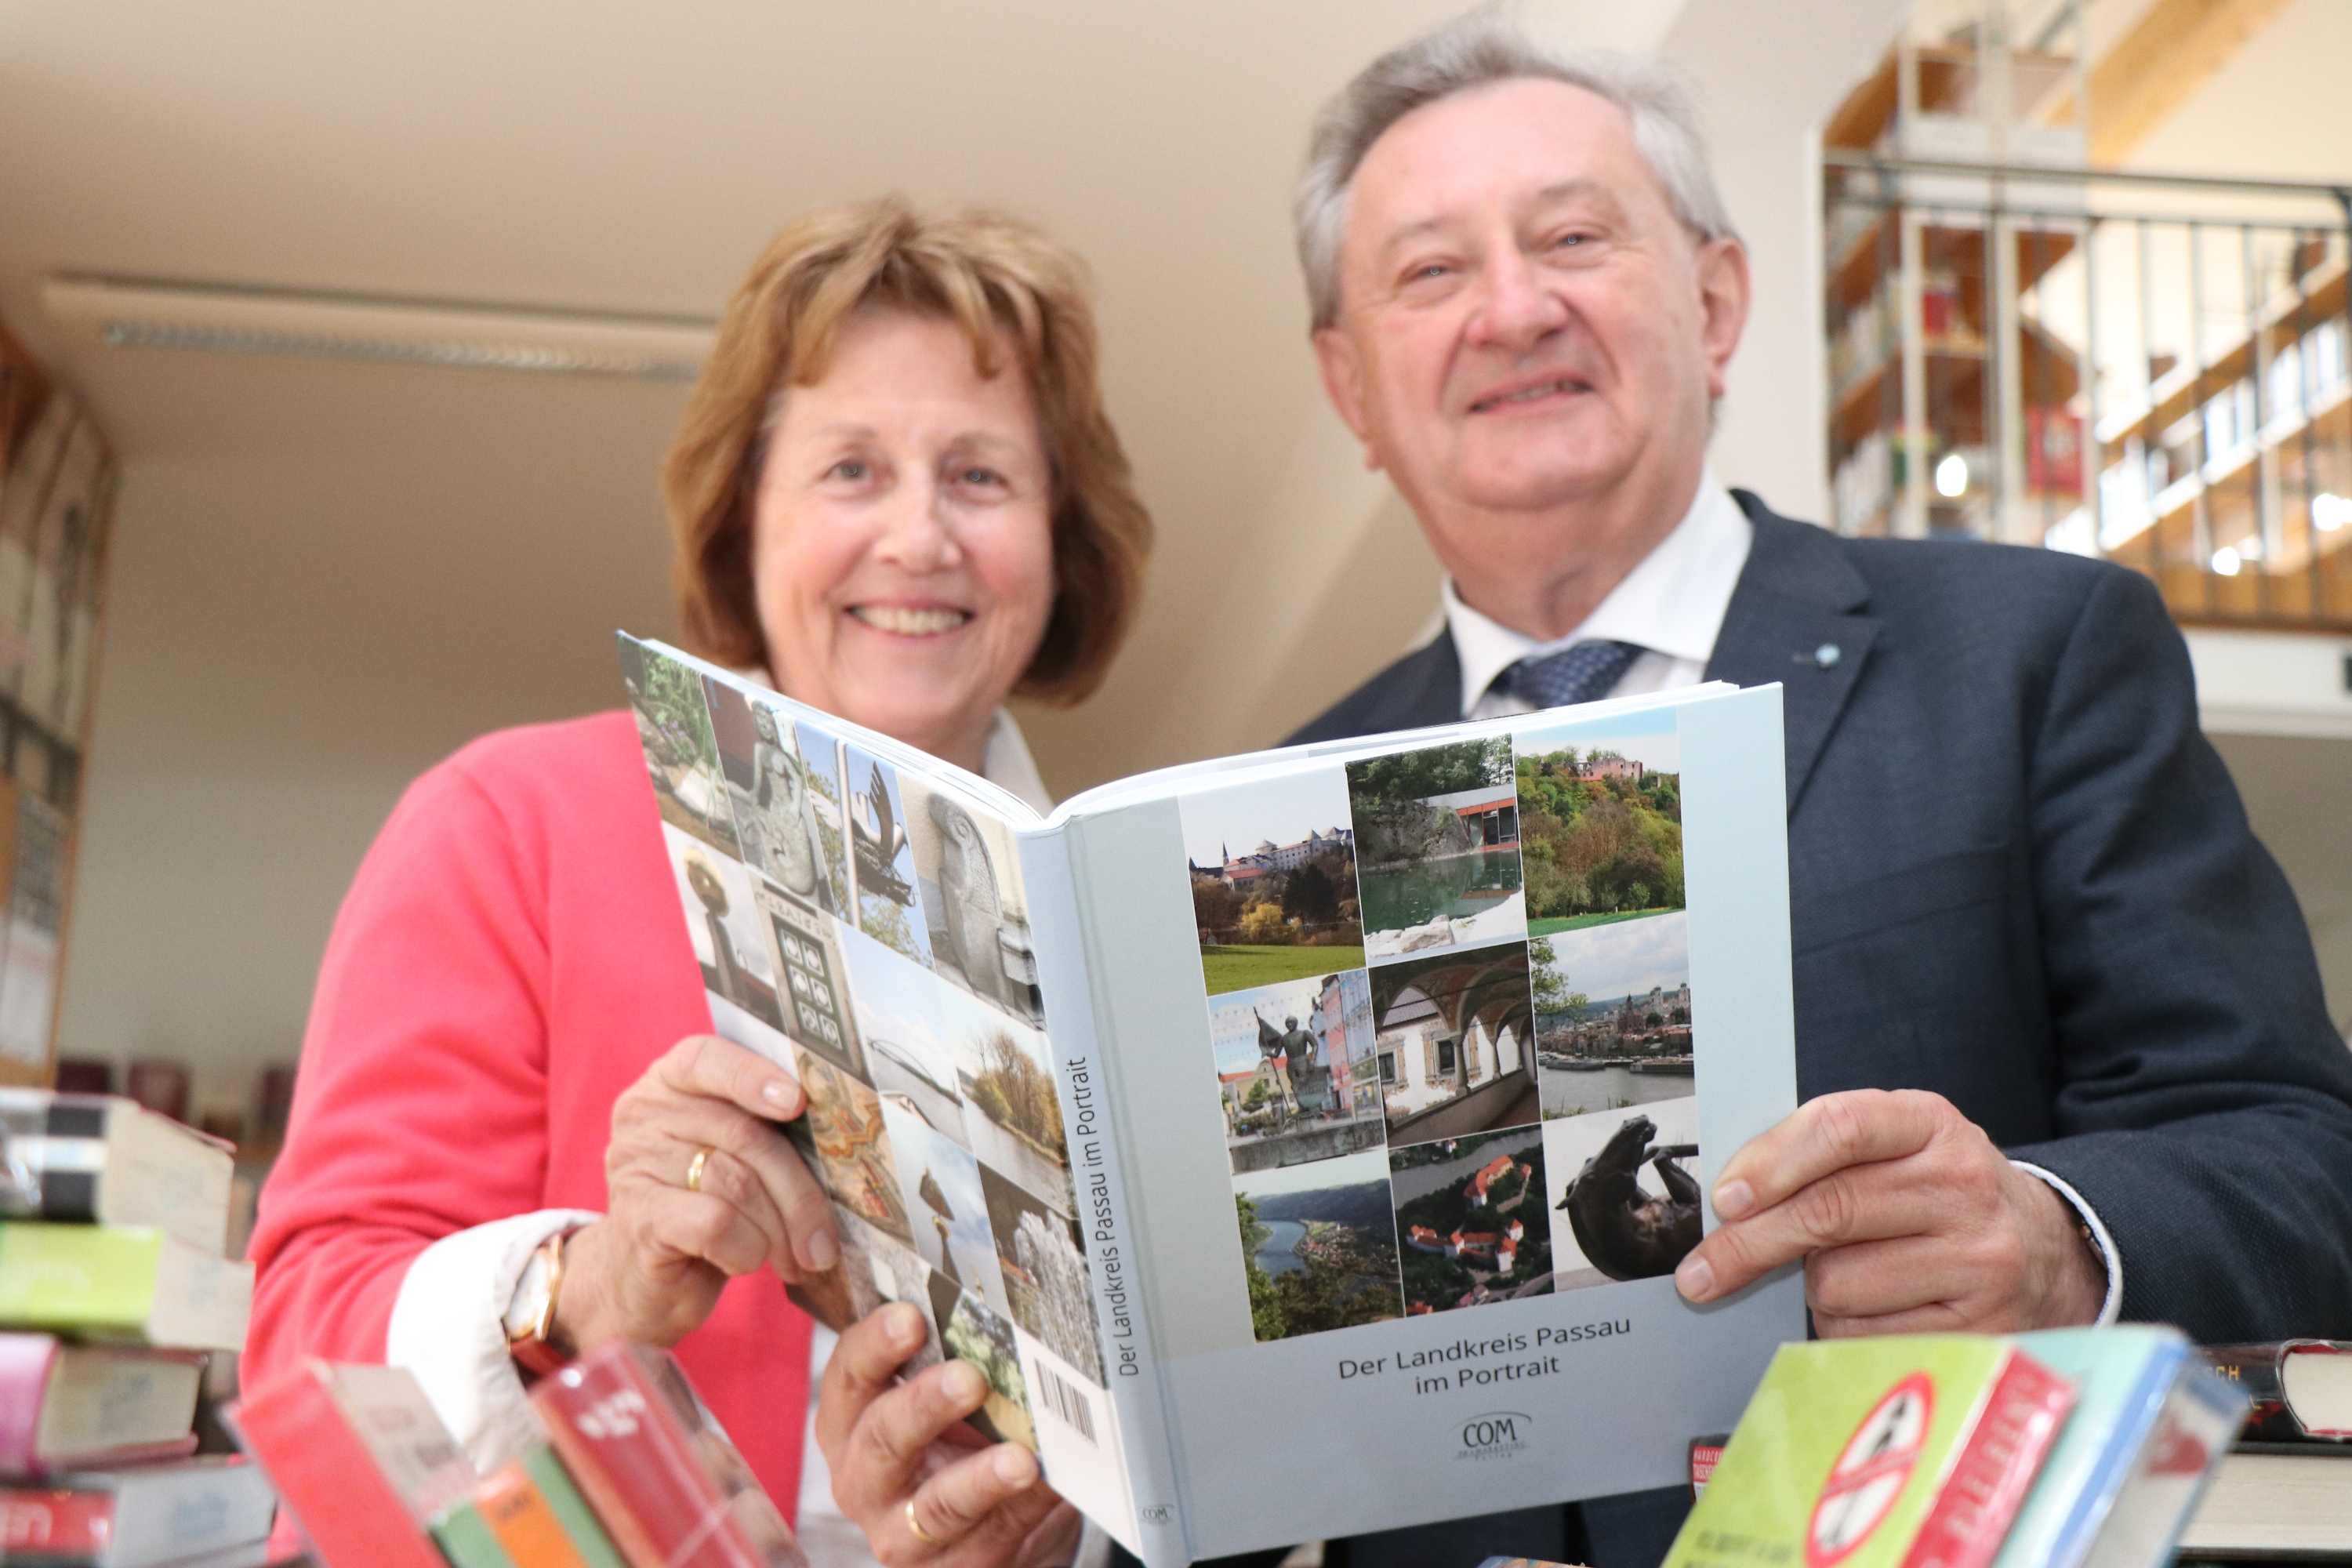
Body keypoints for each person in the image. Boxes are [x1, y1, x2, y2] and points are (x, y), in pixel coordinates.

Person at [1272, 16, 2352, 1568]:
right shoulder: (1283, 820)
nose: (1514, 307)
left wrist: (2051, 1236)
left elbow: (2301, 1155)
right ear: (1352, 388)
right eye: (1430, 272)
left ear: (1714, 305)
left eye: (1574, 236)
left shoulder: (2033, 651)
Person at [245, 199, 1152, 1568]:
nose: (919, 538)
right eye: (851, 470)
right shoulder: (511, 824)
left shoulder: (1136, 928)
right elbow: (301, 1351)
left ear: (1058, 538)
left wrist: (1050, 1551)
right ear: (745, 521)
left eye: (980, 476)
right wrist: (591, 1288)